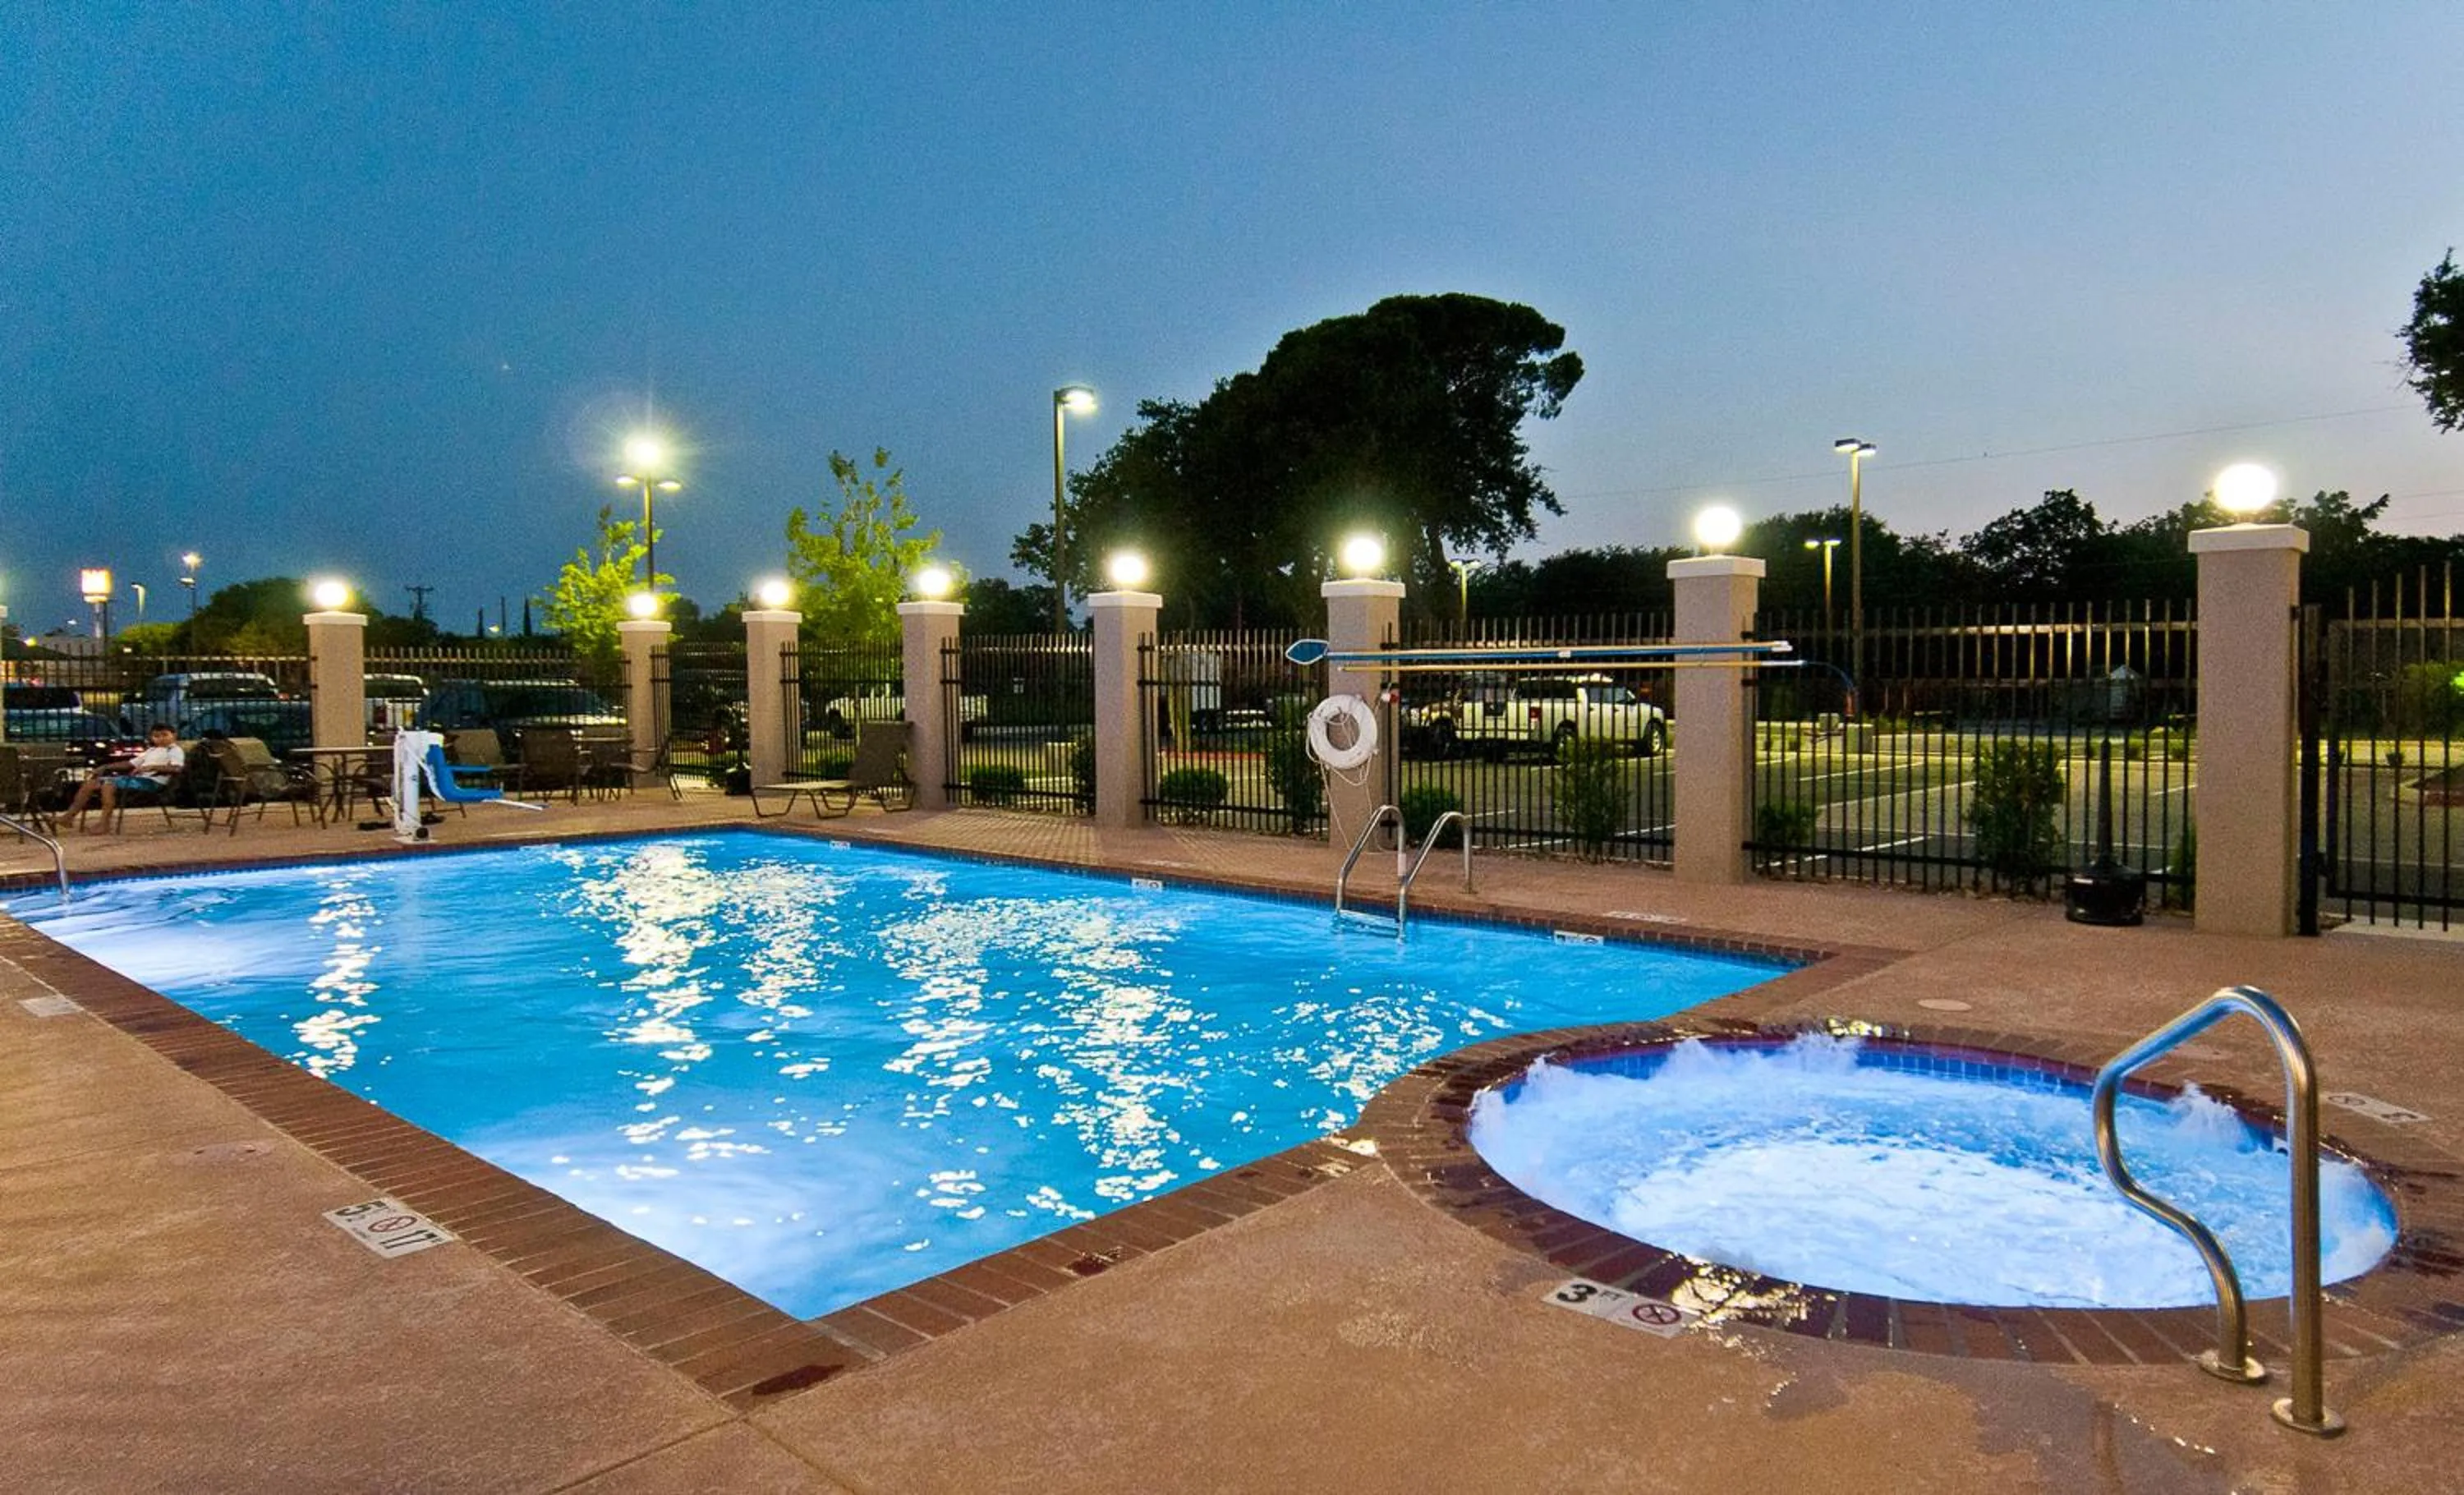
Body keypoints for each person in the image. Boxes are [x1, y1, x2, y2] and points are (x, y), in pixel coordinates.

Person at [60, 724, 184, 833]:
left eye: (165, 735)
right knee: (91, 783)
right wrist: (105, 767)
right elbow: (130, 764)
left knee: (108, 784)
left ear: (174, 735)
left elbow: (177, 768)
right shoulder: (152, 750)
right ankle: (68, 817)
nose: (161, 738)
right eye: (157, 736)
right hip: (138, 780)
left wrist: (151, 767)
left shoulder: (174, 750)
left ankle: (104, 824)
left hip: (153, 783)